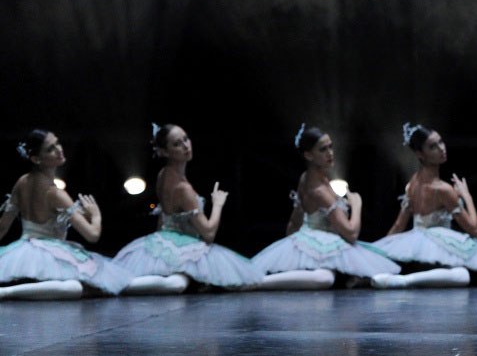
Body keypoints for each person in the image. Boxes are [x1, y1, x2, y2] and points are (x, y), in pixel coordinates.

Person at [115, 124, 263, 293]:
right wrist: (218, 204)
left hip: (164, 239)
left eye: (186, 139)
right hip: (180, 245)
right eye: (177, 144)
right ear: (164, 152)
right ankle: (131, 286)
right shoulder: (183, 188)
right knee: (180, 283)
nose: (186, 146)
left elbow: (164, 216)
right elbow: (208, 234)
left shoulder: (163, 174)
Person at [252, 125, 400, 289]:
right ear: (308, 155)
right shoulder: (320, 191)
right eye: (323, 149)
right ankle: (257, 283)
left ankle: (357, 277)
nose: (330, 153)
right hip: (319, 240)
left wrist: (293, 245)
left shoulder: (308, 177)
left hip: (316, 237)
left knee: (378, 267)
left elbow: (295, 219)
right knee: (325, 278)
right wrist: (357, 205)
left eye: (330, 147)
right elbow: (351, 234)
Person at [370, 123, 477, 288]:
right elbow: (474, 230)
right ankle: (403, 281)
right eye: (433, 146)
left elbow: (398, 225)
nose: (441, 148)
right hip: (437, 247)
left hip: (415, 246)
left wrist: (382, 254)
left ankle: (391, 276)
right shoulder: (443, 189)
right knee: (469, 274)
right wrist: (467, 197)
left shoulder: (412, 184)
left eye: (441, 142)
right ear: (420, 154)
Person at [0, 130, 131, 300]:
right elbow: (92, 235)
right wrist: (95, 215)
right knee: (76, 288)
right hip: (46, 253)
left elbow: (2, 226)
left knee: (93, 287)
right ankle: (5, 293)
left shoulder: (22, 182)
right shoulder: (55, 194)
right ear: (36, 158)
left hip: (23, 250)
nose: (59, 149)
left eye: (57, 143)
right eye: (50, 149)